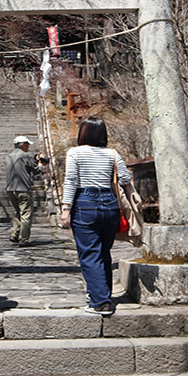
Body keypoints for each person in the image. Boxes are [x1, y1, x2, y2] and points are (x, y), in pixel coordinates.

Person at [59, 117, 140, 316]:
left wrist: (66, 208)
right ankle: (101, 293)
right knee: (103, 252)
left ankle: (100, 302)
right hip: (110, 205)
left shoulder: (75, 153)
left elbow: (71, 181)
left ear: (83, 133)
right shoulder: (112, 154)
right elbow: (124, 178)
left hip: (85, 203)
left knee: (90, 254)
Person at [4, 135, 46, 247]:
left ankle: (14, 234)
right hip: (23, 188)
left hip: (10, 189)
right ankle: (23, 239)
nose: (28, 147)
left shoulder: (8, 156)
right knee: (26, 214)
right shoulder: (26, 156)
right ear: (23, 144)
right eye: (27, 144)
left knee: (18, 212)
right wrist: (41, 164)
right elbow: (36, 170)